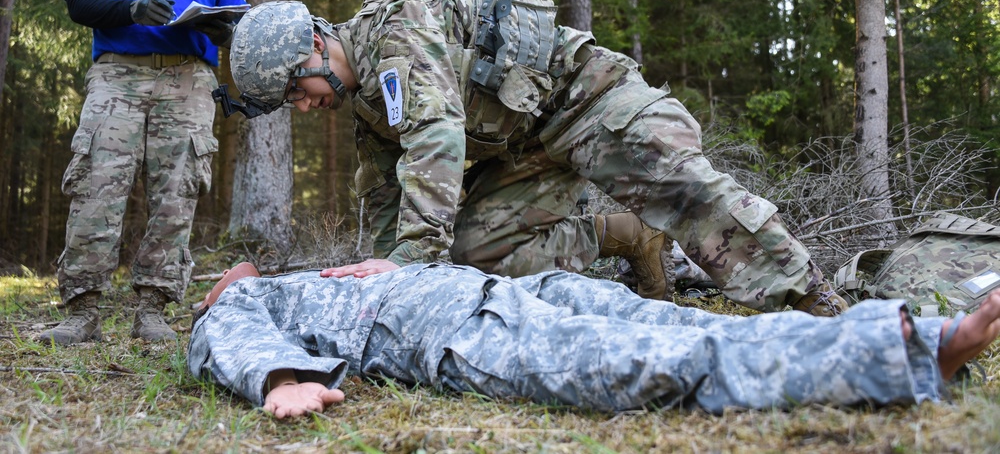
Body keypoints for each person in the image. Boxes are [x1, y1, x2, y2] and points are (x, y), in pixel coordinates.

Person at [218, 0, 847, 315]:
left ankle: (816, 306)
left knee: (681, 188)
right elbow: (387, 195)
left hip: (584, 98)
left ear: (315, 47)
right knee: (469, 257)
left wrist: (410, 262)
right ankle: (625, 237)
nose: (303, 107)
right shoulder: (364, 104)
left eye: (298, 91)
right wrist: (391, 282)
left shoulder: (397, 31)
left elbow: (437, 138)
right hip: (523, 147)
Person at [189, 261, 1000, 418]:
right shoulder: (241, 302)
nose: (232, 275)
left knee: (693, 323)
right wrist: (276, 381)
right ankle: (923, 347)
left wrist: (388, 263)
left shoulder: (307, 276)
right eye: (223, 275)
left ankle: (919, 336)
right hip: (461, 333)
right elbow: (226, 330)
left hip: (511, 289)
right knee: (669, 364)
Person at [38, 0, 246, 345]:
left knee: (177, 192)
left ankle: (152, 310)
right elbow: (78, 2)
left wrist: (218, 26)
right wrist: (128, 9)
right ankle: (82, 310)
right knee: (97, 182)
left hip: (189, 79)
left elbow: (237, 21)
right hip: (119, 73)